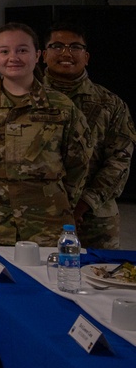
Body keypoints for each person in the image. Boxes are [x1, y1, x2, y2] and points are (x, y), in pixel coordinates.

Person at [0, 23, 92, 247]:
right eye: (4, 51)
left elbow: (78, 164)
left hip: (45, 225)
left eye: (22, 50)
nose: (13, 57)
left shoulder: (61, 107)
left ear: (37, 55)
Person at [41, 23, 136, 249]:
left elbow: (119, 161)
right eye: (57, 46)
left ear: (86, 56)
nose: (66, 53)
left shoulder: (110, 104)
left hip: (94, 218)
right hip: (36, 215)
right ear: (43, 55)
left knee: (98, 277)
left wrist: (82, 205)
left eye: (75, 47)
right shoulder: (26, 98)